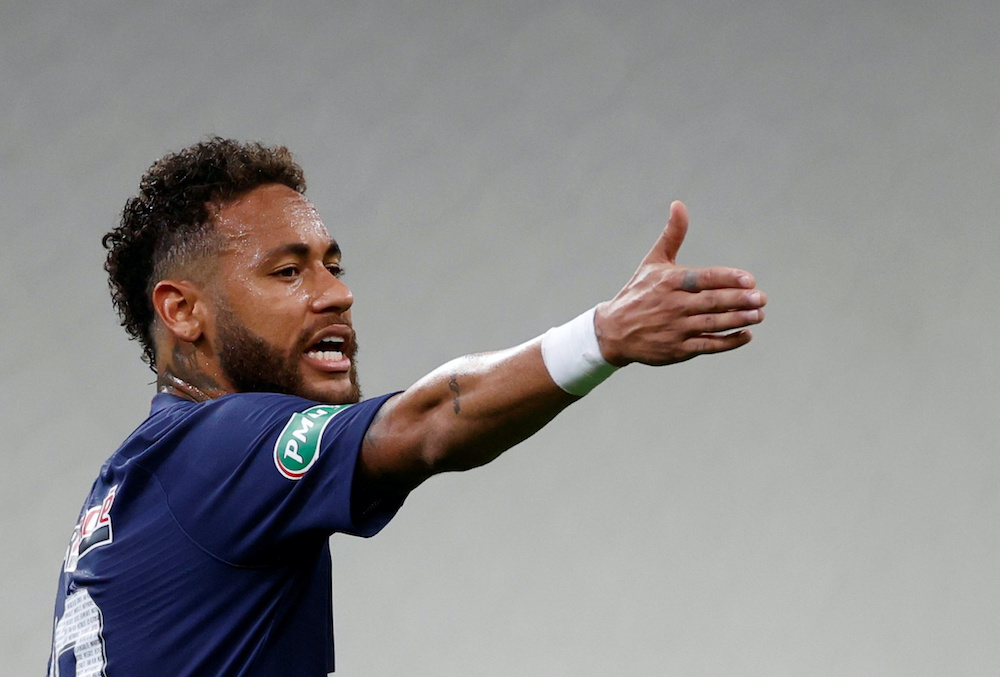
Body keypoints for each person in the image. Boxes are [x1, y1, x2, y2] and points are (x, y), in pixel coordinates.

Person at [47, 137, 767, 676]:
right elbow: (425, 425)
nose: (336, 293)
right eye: (288, 271)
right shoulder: (223, 447)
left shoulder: (130, 487)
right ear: (182, 310)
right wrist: (602, 336)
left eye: (333, 265)